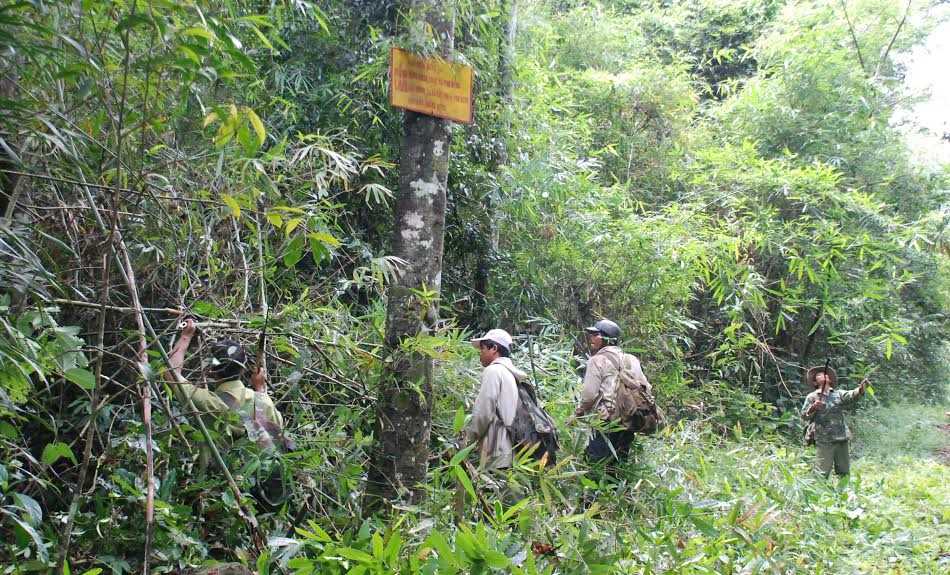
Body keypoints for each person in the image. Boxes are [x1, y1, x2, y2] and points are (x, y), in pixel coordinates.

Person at [166, 318, 287, 462]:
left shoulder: (211, 403)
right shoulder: (263, 401)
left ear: (212, 371)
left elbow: (170, 374)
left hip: (219, 481)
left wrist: (186, 336)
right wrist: (260, 389)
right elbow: (277, 431)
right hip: (258, 480)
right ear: (243, 369)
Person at [574, 319, 651, 462]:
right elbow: (646, 388)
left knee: (596, 464)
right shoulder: (631, 359)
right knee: (618, 465)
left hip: (606, 421)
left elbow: (589, 395)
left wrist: (580, 411)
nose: (591, 337)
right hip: (629, 420)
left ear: (606, 339)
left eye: (595, 334)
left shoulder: (597, 360)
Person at [464, 328, 527, 471]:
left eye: (482, 349)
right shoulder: (511, 374)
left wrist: (468, 439)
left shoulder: (494, 371)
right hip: (513, 450)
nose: (480, 354)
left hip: (496, 449)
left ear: (494, 348)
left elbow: (484, 411)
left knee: (495, 492)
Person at [801, 365, 868, 478]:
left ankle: (842, 493)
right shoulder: (812, 397)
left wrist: (861, 389)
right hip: (823, 438)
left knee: (844, 471)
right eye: (819, 375)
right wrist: (813, 407)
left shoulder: (838, 394)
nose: (823, 375)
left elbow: (852, 395)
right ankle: (819, 494)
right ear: (815, 383)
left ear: (830, 380)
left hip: (841, 437)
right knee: (821, 472)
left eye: (825, 374)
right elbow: (804, 416)